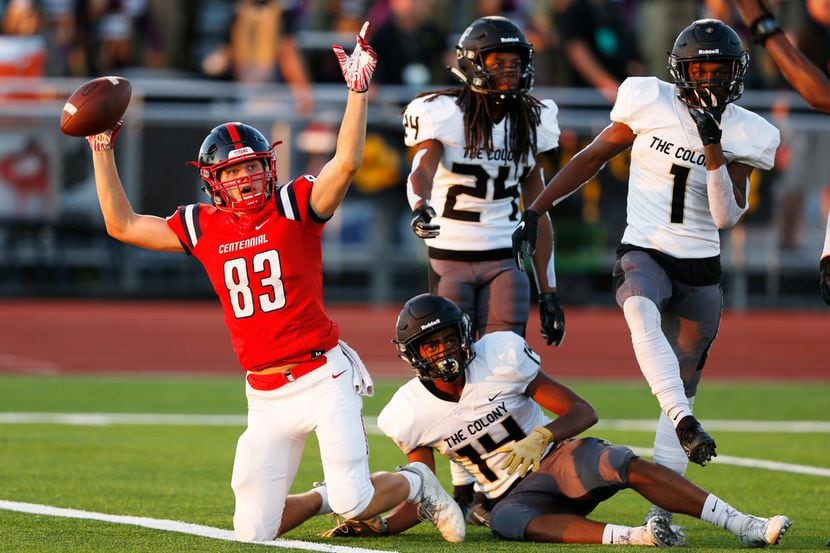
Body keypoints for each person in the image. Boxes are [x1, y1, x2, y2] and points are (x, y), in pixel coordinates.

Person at [83, 23, 465, 544]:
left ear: (270, 166)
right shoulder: (202, 224)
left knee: (355, 498)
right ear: (213, 182)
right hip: (263, 392)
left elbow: (346, 162)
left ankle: (416, 482)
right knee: (253, 530)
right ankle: (325, 496)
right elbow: (122, 225)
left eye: (252, 168)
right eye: (233, 173)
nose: (245, 179)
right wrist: (101, 146)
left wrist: (357, 92)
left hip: (321, 375)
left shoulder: (294, 204)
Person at [511, 19, 781, 526]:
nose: (709, 80)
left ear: (736, 74)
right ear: (681, 71)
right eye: (700, 68)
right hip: (646, 249)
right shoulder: (648, 100)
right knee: (638, 309)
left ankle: (662, 515)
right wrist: (535, 209)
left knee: (682, 379)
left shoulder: (749, 131)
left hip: (701, 266)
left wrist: (713, 143)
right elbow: (592, 157)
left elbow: (726, 216)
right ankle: (684, 421)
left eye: (719, 70)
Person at [321, 293, 792, 547]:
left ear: (464, 335)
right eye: (430, 345)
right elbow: (426, 488)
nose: (442, 350)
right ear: (413, 356)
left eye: (447, 338)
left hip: (555, 462)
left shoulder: (501, 355)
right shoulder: (406, 413)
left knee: (619, 461)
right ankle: (636, 539)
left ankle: (743, 524)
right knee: (505, 520)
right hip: (507, 499)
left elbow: (583, 410)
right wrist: (382, 526)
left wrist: (543, 434)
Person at [401, 14, 564, 523]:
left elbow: (538, 208)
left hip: (503, 258)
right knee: (450, 365)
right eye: (498, 62)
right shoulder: (442, 112)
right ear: (473, 64)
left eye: (516, 63)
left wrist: (550, 289)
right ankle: (462, 484)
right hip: (450, 256)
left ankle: (499, 486)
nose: (509, 72)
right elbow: (422, 168)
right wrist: (420, 205)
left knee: (501, 368)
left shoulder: (533, 118)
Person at [730, 0, 830, 304]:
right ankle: (788, 243)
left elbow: (819, 93)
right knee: (794, 186)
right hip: (804, 124)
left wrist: (762, 23)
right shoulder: (806, 33)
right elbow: (801, 87)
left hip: (819, 121)